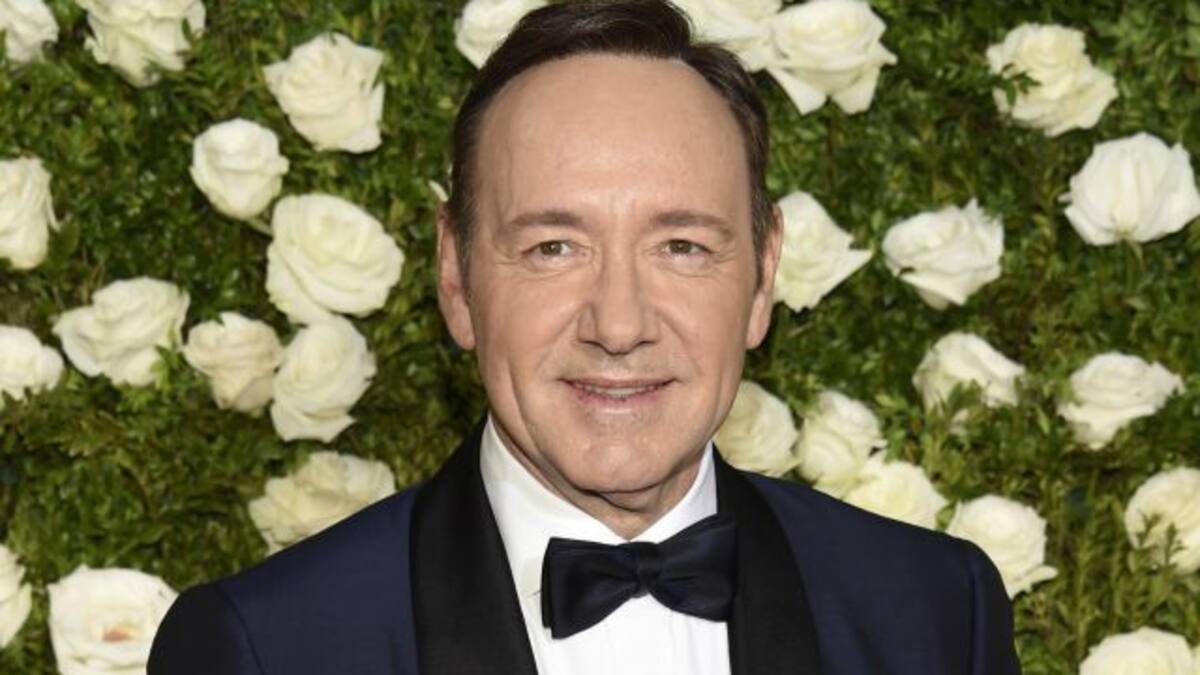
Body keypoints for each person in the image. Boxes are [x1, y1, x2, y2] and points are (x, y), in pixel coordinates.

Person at [148, 1, 1021, 673]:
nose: (620, 324)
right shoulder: (269, 647)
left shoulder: (938, 613)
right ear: (456, 276)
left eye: (682, 246)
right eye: (553, 247)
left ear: (762, 277)